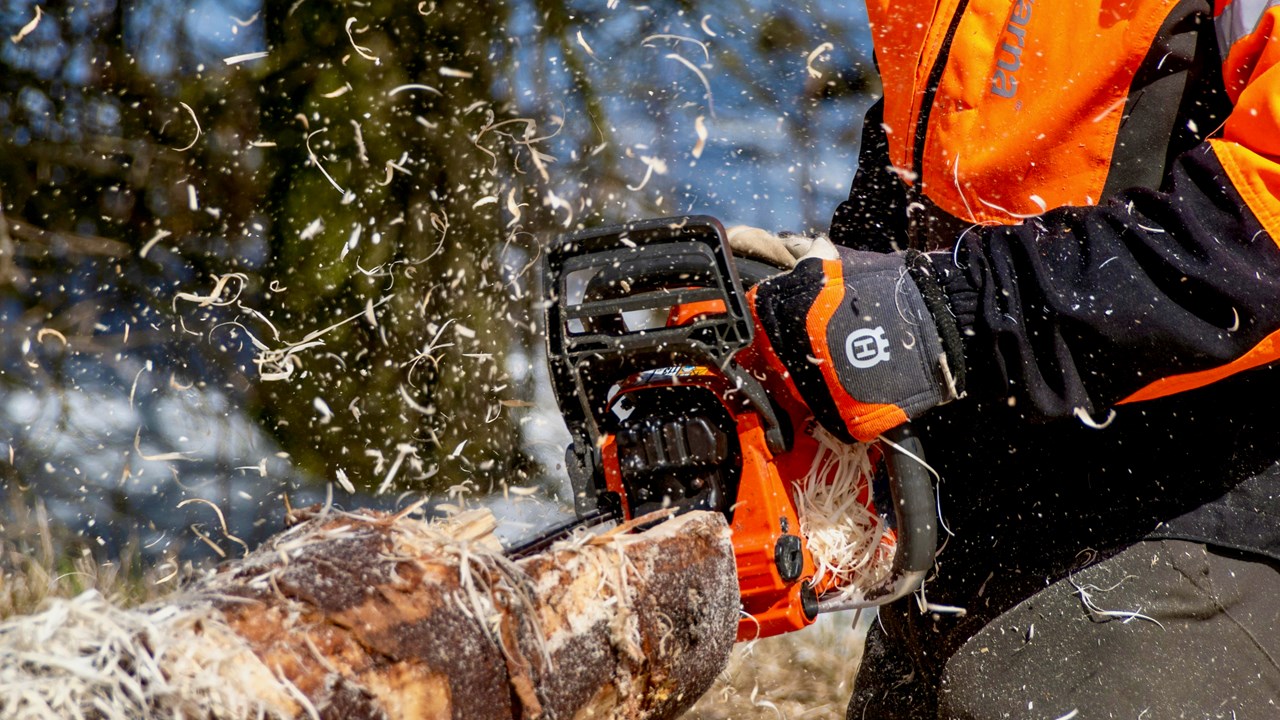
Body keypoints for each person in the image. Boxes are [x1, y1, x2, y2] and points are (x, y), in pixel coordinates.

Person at [729, 1, 1280, 717]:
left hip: (1199, 508)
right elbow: (939, 136)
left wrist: (951, 310)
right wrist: (837, 292)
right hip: (976, 512)